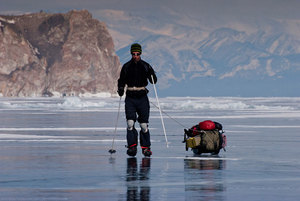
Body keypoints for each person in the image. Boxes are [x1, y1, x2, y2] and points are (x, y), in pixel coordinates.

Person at [117, 43, 157, 157]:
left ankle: (146, 148)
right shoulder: (126, 66)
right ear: (131, 54)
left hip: (142, 97)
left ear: (140, 53)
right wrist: (120, 88)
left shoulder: (145, 66)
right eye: (134, 54)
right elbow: (121, 80)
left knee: (144, 125)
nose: (135, 56)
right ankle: (132, 147)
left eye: (137, 54)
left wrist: (153, 76)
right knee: (130, 123)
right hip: (130, 97)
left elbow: (153, 80)